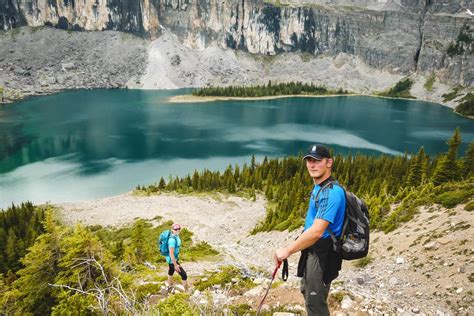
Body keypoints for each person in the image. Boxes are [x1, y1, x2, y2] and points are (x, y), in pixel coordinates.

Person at [274, 144, 346, 316]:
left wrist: (288, 250)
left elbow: (316, 232)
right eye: (309, 160)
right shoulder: (319, 188)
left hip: (322, 254)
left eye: (317, 161)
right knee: (308, 293)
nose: (312, 165)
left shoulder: (331, 193)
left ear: (329, 162)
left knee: (315, 303)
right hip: (313, 250)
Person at [165, 223, 189, 292]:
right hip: (172, 260)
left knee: (171, 270)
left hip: (171, 259)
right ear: (172, 230)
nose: (177, 230)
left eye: (179, 228)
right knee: (184, 275)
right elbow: (171, 253)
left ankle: (169, 286)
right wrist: (175, 265)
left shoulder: (176, 236)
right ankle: (187, 292)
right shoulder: (172, 240)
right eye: (175, 229)